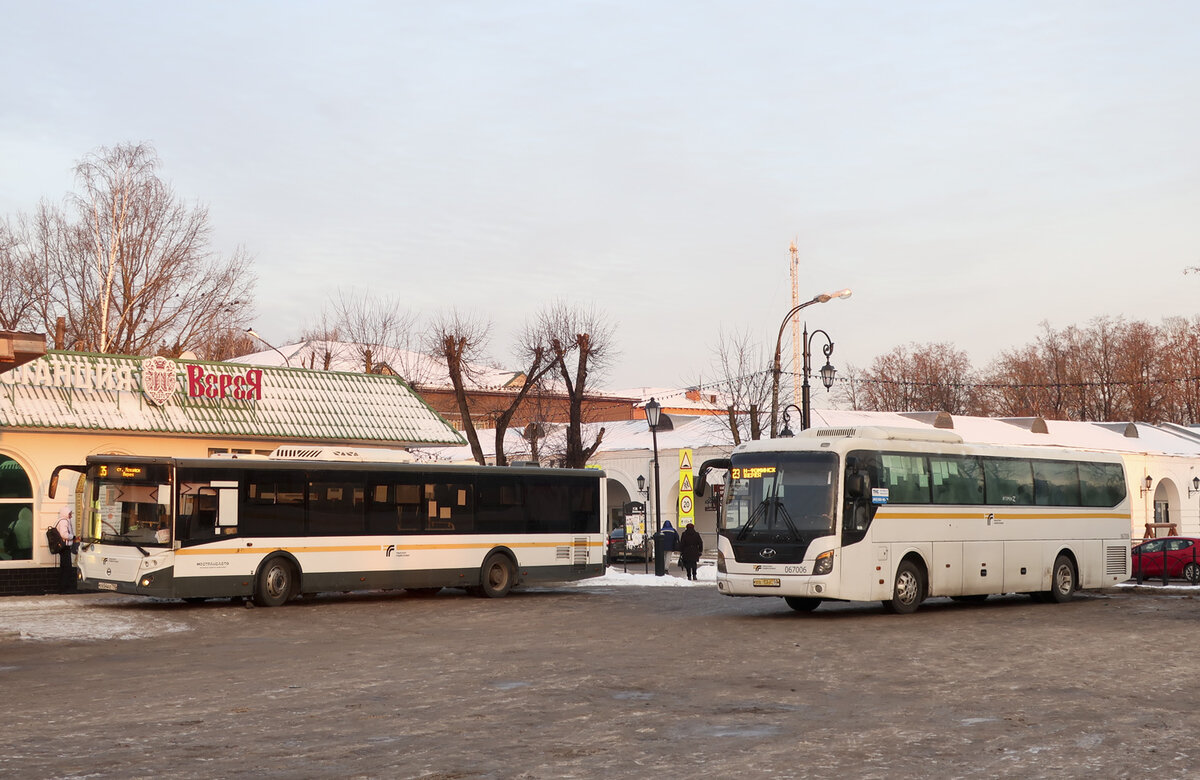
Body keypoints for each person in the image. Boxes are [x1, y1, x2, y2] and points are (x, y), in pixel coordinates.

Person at [54, 505, 76, 593]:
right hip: (65, 547)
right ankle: (64, 588)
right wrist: (73, 537)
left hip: (64, 547)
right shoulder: (64, 521)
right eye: (70, 513)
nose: (71, 515)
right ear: (66, 513)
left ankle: (63, 587)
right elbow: (64, 534)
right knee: (67, 567)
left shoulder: (63, 521)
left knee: (64, 567)